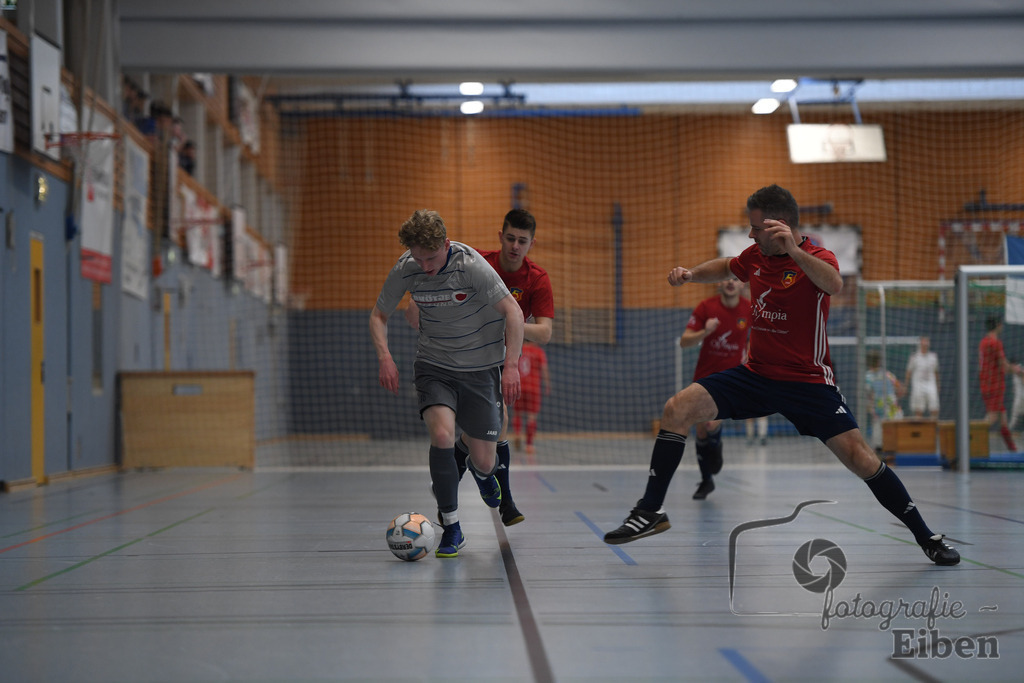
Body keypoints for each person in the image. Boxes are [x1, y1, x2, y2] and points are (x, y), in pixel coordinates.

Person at [603, 184, 960, 565]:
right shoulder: (755, 255)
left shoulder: (818, 258)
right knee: (677, 408)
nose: (750, 235)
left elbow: (834, 284)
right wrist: (690, 274)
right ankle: (649, 510)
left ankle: (928, 537)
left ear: (780, 226)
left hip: (807, 382)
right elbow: (727, 266)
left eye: (756, 228)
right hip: (756, 375)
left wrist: (793, 250)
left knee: (862, 458)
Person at [371, 209, 524, 558]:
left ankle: (482, 472)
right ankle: (452, 529)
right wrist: (385, 356)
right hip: (434, 365)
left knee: (486, 462)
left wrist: (511, 366)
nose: (423, 266)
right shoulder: (406, 267)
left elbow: (513, 313)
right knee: (442, 435)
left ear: (445, 244)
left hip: (481, 369)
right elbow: (378, 316)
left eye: (431, 257)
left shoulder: (470, 267)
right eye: (417, 257)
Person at [406, 208, 554, 526]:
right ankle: (499, 501)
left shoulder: (537, 279)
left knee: (496, 424)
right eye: (511, 238)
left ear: (532, 244)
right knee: (489, 427)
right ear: (501, 237)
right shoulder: (477, 263)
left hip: (504, 356)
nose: (516, 246)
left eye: (523, 241)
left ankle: (501, 500)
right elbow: (433, 282)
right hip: (465, 355)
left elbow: (544, 332)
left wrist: (508, 322)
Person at [678, 276, 751, 499]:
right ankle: (706, 481)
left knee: (710, 424)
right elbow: (685, 341)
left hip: (732, 379)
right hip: (704, 377)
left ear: (742, 285)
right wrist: (705, 332)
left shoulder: (750, 309)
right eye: (726, 278)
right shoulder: (706, 307)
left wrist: (750, 352)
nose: (730, 282)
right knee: (700, 429)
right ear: (718, 283)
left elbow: (761, 337)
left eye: (736, 279)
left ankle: (716, 447)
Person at [978, 316, 1023, 451]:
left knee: (1003, 419)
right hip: (994, 385)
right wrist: (1017, 370)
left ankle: (1012, 449)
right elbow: (1003, 366)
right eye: (1001, 324)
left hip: (987, 383)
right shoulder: (995, 343)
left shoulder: (983, 342)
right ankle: (971, 439)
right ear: (997, 325)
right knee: (992, 417)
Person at [512, 340, 550, 457]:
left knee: (517, 414)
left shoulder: (518, 349)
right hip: (533, 388)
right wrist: (547, 384)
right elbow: (544, 369)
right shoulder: (538, 351)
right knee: (531, 416)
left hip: (519, 385)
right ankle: (529, 445)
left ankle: (517, 434)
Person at [865, 349, 904, 450]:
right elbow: (900, 389)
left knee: (879, 440)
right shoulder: (887, 374)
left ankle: (882, 457)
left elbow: (868, 394)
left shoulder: (867, 377)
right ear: (878, 362)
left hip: (879, 411)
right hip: (891, 409)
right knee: (894, 434)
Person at [905, 336, 940, 419]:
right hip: (918, 385)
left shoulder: (933, 357)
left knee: (934, 408)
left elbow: (936, 372)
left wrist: (938, 384)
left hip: (931, 385)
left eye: (927, 342)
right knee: (918, 410)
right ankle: (920, 430)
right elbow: (908, 372)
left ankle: (933, 429)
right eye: (923, 342)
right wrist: (906, 385)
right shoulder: (914, 357)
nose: (925, 344)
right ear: (920, 343)